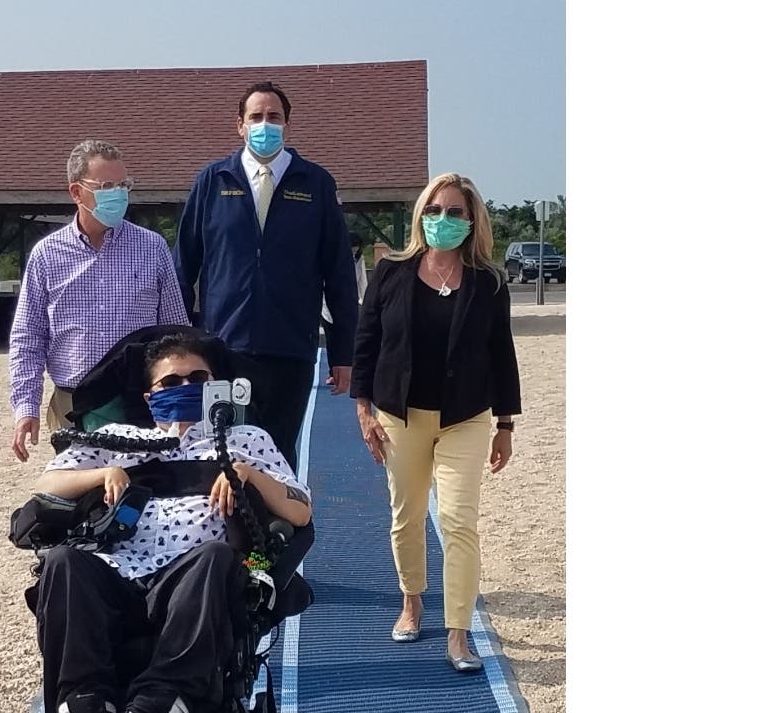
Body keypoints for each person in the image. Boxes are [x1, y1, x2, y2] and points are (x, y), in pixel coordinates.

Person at [32, 334, 312, 713]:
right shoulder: (114, 438)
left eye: (197, 378)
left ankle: (160, 702)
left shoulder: (246, 440)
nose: (184, 387)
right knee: (63, 561)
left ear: (215, 383)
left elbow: (300, 513)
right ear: (149, 396)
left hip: (194, 574)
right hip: (116, 570)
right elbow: (46, 486)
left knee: (217, 558)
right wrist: (103, 472)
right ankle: (86, 709)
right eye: (170, 382)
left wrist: (247, 475)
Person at [350, 174, 522, 672]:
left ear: (471, 223)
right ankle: (411, 600)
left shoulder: (488, 283)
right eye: (436, 210)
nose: (443, 220)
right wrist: (363, 408)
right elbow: (367, 342)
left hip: (465, 417)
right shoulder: (390, 273)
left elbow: (501, 354)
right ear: (423, 214)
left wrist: (505, 424)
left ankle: (459, 632)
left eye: (455, 213)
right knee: (406, 513)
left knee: (458, 520)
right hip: (399, 414)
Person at [173, 80, 358, 471]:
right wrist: (181, 341)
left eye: (273, 116)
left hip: (290, 349)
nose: (264, 124)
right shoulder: (213, 180)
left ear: (288, 124)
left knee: (278, 458)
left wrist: (344, 353)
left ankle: (281, 532)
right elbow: (183, 265)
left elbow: (339, 273)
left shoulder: (316, 183)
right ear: (239, 125)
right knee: (223, 454)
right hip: (224, 348)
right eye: (255, 116)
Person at [8, 138, 189, 462]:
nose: (118, 194)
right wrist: (26, 407)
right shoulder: (46, 256)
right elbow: (28, 338)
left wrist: (183, 398)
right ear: (76, 192)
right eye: (107, 185)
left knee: (146, 496)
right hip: (73, 405)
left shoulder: (153, 248)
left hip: (141, 403)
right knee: (83, 501)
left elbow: (177, 334)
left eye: (123, 185)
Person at [321, 231, 367, 361]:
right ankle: (332, 371)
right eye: (351, 252)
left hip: (349, 305)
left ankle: (350, 367)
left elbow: (362, 282)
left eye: (355, 252)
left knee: (349, 339)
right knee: (332, 339)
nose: (353, 254)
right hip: (328, 306)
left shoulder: (359, 259)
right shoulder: (331, 258)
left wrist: (367, 304)